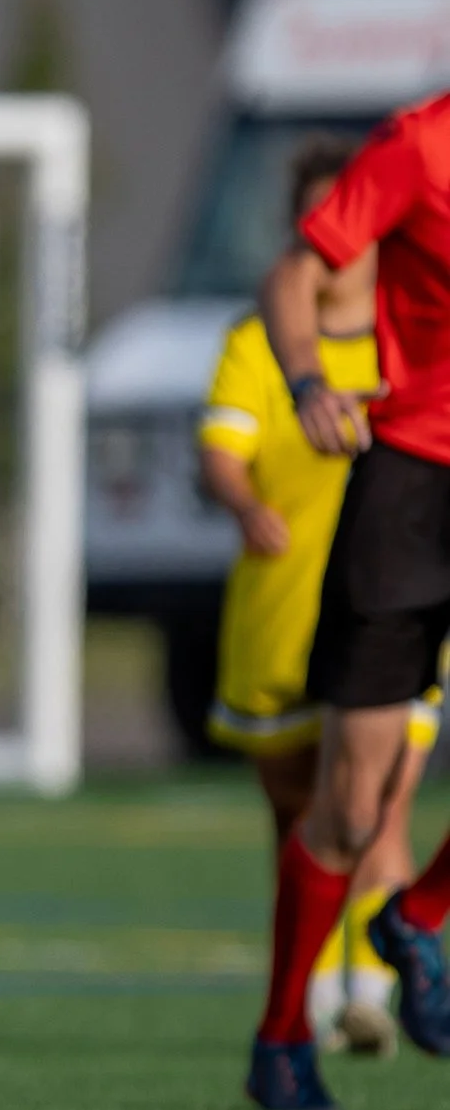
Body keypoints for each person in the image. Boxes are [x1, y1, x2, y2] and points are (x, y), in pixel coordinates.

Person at [200, 138, 426, 1060]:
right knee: (309, 818)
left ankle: (375, 987)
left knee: (381, 804)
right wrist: (250, 500)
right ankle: (301, 1003)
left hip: (403, 593)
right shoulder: (261, 345)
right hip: (285, 616)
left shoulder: (410, 335)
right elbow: (221, 453)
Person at [261, 88, 450, 1110]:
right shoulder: (418, 145)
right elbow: (295, 273)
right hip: (409, 489)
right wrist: (304, 381)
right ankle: (282, 1030)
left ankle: (415, 913)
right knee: (351, 802)